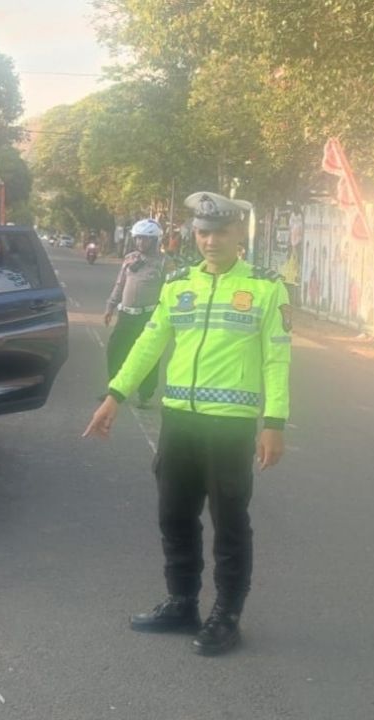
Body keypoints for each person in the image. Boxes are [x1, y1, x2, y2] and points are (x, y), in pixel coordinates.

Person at [84, 191, 292, 657]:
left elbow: (277, 359)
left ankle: (228, 614)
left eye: (220, 231)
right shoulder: (178, 284)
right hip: (179, 421)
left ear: (239, 234)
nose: (210, 240)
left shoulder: (265, 286)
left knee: (230, 521)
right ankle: (182, 603)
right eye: (202, 232)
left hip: (230, 426)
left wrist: (274, 422)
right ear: (192, 234)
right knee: (174, 515)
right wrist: (115, 395)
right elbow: (148, 343)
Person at [103, 219, 172, 408]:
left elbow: (171, 291)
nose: (141, 243)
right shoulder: (129, 258)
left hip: (148, 316)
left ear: (155, 241)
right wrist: (110, 307)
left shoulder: (165, 262)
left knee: (148, 354)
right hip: (126, 314)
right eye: (138, 239)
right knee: (115, 350)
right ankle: (114, 390)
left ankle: (145, 393)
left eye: (146, 239)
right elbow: (120, 284)